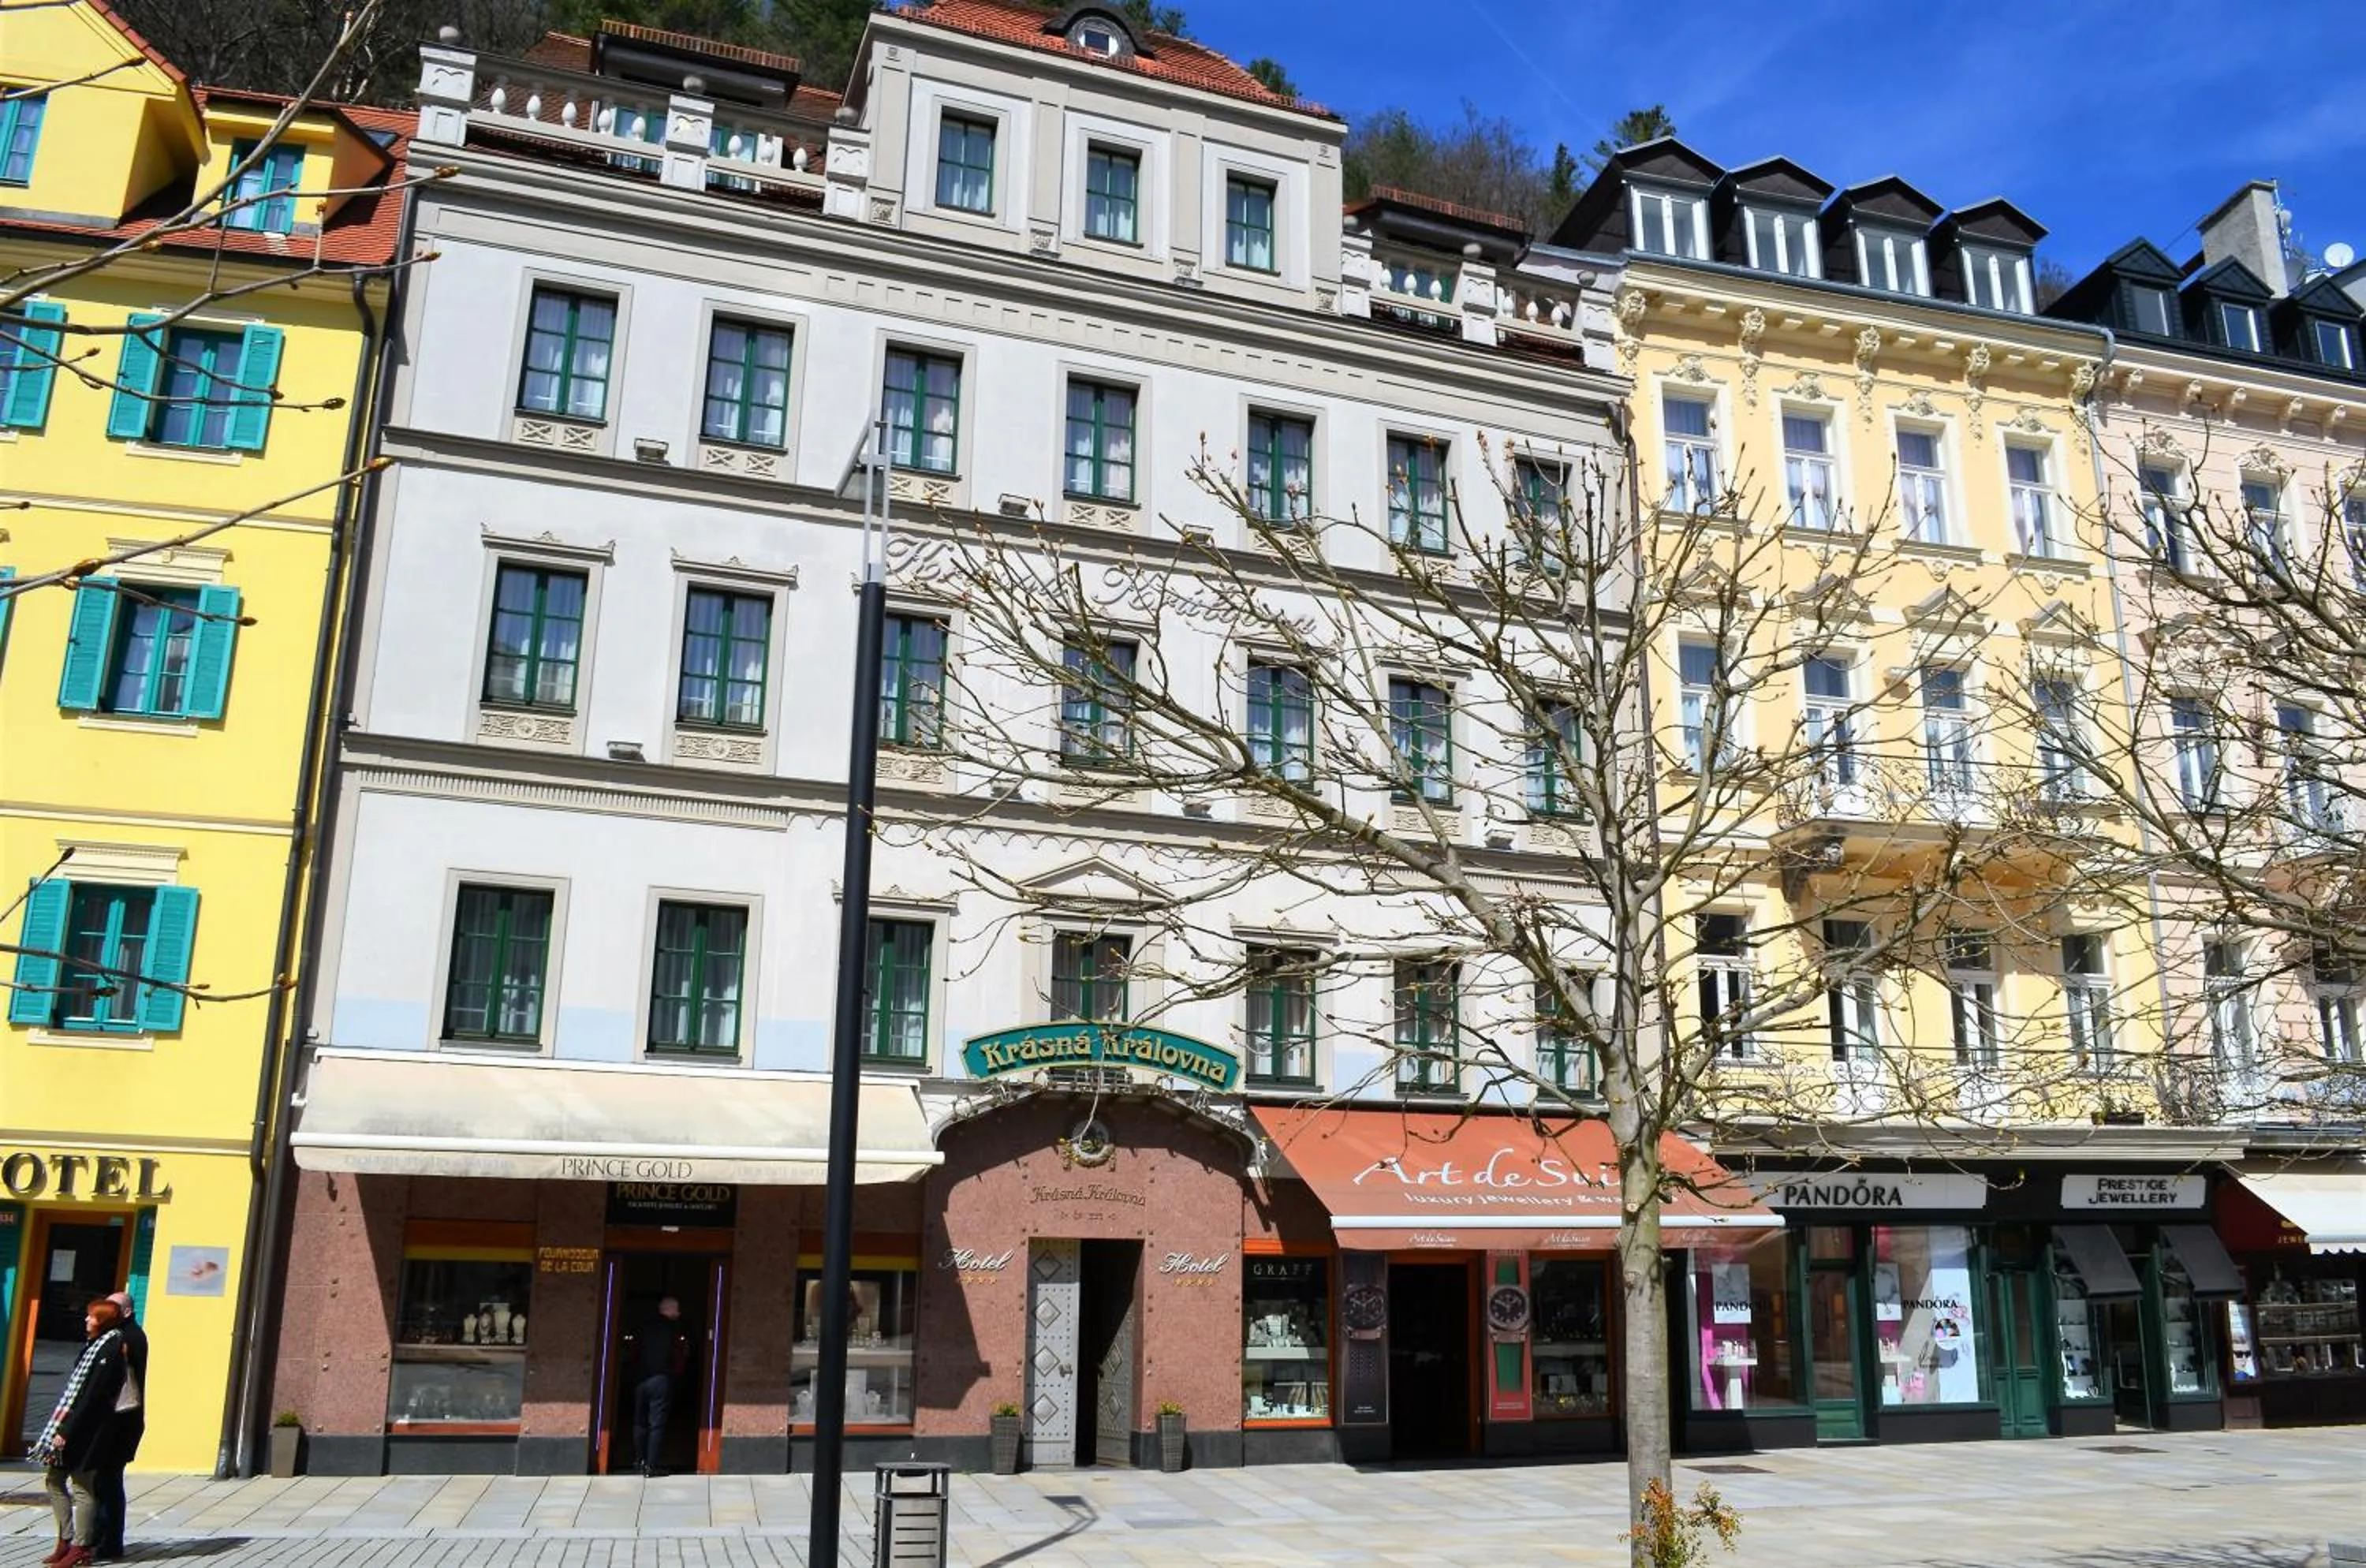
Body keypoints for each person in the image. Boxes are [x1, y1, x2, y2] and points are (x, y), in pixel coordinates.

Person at [32, 1297, 130, 1568]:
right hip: (74, 1424)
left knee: (82, 1485)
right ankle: (66, 1539)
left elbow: (92, 1397)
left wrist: (67, 1430)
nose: (86, 1320)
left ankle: (81, 1547)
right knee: (54, 1479)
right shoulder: (94, 1346)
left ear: (103, 1320)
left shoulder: (109, 1350)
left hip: (88, 1430)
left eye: (91, 1316)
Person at [91, 1291, 147, 1562]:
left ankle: (109, 1542)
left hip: (120, 1422)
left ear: (125, 1312)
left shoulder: (127, 1338)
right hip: (122, 1421)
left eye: (112, 1308)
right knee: (106, 1481)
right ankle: (104, 1539)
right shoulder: (125, 1335)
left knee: (108, 1482)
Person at [629, 1296, 687, 1478]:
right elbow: (678, 1356)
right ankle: (651, 1466)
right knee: (657, 1424)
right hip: (661, 1379)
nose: (679, 1313)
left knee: (639, 1422)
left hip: (641, 1379)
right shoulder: (674, 1329)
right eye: (676, 1310)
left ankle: (639, 1462)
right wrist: (675, 1374)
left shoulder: (643, 1327)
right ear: (668, 1310)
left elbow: (632, 1352)